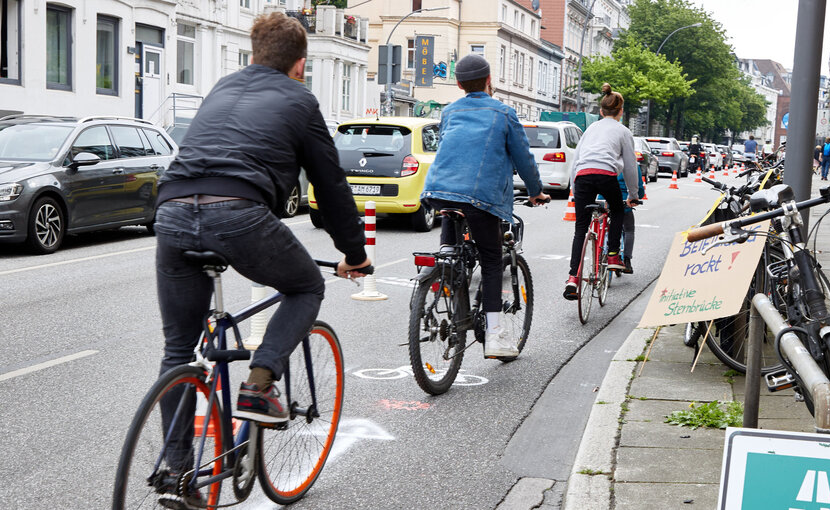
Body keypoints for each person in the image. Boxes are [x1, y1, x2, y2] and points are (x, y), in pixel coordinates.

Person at [151, 12, 372, 490]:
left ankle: (175, 471)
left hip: (169, 209)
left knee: (177, 349)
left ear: (253, 55)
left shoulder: (223, 86)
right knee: (306, 286)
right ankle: (258, 383)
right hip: (237, 210)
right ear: (300, 65)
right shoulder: (301, 98)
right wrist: (353, 252)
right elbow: (330, 185)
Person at [421, 54, 549, 358]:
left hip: (440, 191)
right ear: (489, 80)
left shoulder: (449, 112)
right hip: (480, 198)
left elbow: (451, 150)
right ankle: (494, 336)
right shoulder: (503, 113)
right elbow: (524, 159)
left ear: (458, 83)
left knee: (451, 243)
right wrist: (535, 191)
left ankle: (445, 268)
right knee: (492, 260)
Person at [564, 83, 641, 300]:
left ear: (600, 111)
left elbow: (577, 159)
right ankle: (615, 255)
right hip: (605, 175)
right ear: (621, 111)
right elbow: (629, 164)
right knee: (618, 210)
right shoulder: (623, 131)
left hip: (582, 177)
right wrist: (633, 195)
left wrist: (573, 189)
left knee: (580, 228)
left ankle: (572, 278)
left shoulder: (590, 129)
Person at [617, 168, 645, 274]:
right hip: (624, 201)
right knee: (629, 230)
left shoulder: (605, 157)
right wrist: (637, 197)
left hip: (604, 199)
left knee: (605, 225)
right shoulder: (631, 163)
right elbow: (639, 187)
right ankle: (627, 260)